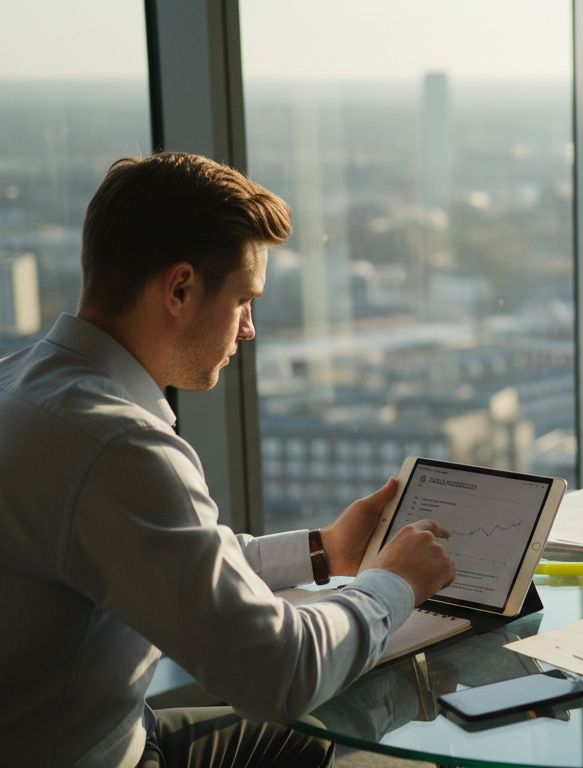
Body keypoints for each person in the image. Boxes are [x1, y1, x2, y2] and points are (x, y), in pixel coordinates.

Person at [0, 152, 458, 768]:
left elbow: (167, 561)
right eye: (245, 299)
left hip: (109, 731)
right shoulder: (117, 446)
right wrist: (395, 583)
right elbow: (279, 674)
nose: (249, 329)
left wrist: (324, 551)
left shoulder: (25, 384)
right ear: (181, 288)